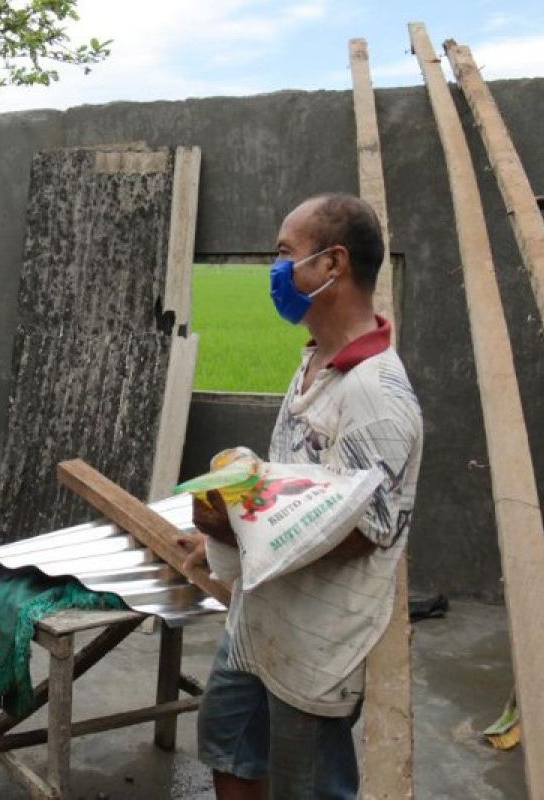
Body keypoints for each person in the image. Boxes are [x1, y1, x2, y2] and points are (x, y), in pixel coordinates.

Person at [184, 194, 423, 799]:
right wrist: (239, 502)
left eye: (286, 254)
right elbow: (304, 488)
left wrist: (232, 525)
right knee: (230, 746)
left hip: (316, 638)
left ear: (333, 264)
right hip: (262, 615)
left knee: (308, 787)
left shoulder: (377, 396)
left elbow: (358, 533)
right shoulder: (315, 362)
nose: (277, 269)